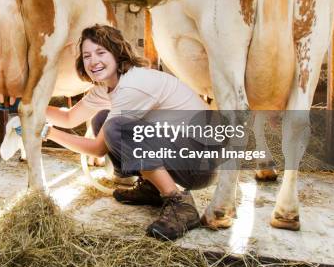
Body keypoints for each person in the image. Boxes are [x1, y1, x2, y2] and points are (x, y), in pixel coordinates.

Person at [40, 24, 223, 241]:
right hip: (181, 151)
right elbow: (69, 118)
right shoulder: (105, 88)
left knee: (116, 128)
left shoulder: (132, 86)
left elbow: (98, 149)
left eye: (101, 52)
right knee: (102, 118)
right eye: (86, 55)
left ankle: (179, 203)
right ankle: (153, 188)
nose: (93, 61)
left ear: (118, 53)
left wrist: (45, 132)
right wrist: (30, 107)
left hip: (200, 164)